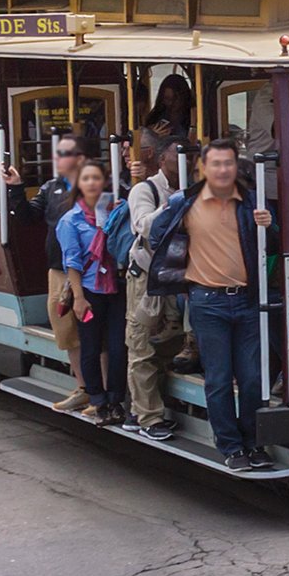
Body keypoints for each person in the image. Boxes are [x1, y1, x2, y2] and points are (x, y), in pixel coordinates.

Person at [150, 137, 275, 472]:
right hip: (207, 302)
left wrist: (269, 225)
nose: (222, 169)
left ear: (236, 167)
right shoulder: (184, 202)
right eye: (216, 163)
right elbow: (156, 237)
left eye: (228, 163)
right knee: (219, 378)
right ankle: (231, 447)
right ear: (204, 168)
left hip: (246, 301)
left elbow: (273, 242)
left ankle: (253, 443)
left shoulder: (251, 202)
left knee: (251, 378)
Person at [5, 137, 86, 410]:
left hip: (88, 273)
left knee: (93, 333)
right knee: (67, 333)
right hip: (58, 272)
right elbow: (27, 217)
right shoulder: (51, 188)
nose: (58, 159)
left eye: (65, 154)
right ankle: (83, 387)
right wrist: (16, 189)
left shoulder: (95, 186)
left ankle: (103, 391)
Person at [57, 160, 128, 425]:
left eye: (97, 178)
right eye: (86, 179)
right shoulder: (70, 220)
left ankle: (116, 399)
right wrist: (79, 298)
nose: (92, 184)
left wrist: (121, 216)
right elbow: (72, 262)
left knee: (118, 347)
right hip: (89, 289)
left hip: (116, 287)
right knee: (91, 346)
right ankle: (98, 401)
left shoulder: (114, 209)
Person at [123, 136, 183, 441]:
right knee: (142, 343)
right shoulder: (145, 189)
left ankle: (142, 403)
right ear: (161, 160)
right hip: (147, 277)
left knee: (172, 339)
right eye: (178, 154)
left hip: (179, 276)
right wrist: (173, 205)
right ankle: (147, 417)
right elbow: (143, 226)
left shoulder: (196, 186)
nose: (186, 160)